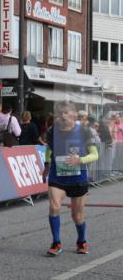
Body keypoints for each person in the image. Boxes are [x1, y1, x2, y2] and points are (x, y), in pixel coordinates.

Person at [42, 101, 100, 256]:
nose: (63, 116)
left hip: (78, 177)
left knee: (77, 215)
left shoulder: (85, 131)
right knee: (54, 207)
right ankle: (56, 243)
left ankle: (81, 241)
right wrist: (46, 165)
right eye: (60, 113)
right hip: (57, 176)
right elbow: (49, 149)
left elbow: (95, 155)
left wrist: (80, 160)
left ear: (74, 114)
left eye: (66, 113)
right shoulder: (52, 131)